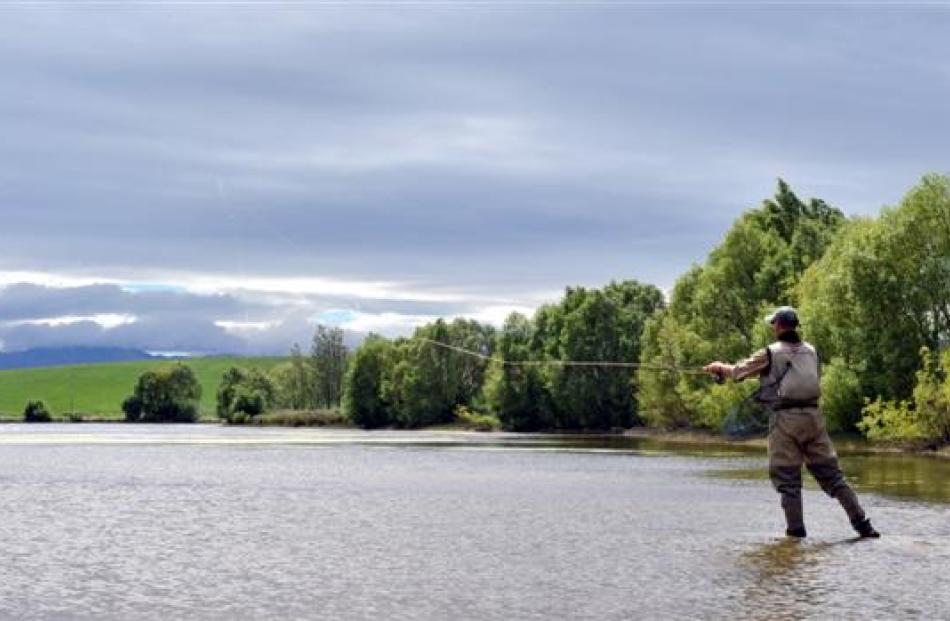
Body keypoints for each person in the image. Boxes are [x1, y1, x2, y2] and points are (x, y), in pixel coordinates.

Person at [703, 306, 880, 539]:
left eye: (773, 324)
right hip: (814, 419)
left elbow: (738, 372)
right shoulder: (811, 351)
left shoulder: (770, 352)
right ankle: (864, 526)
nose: (772, 327)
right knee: (834, 478)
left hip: (785, 422)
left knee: (788, 481)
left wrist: (718, 368)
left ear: (778, 326)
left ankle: (795, 537)